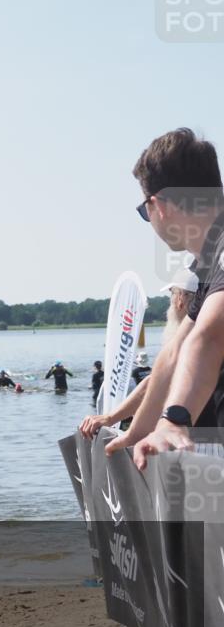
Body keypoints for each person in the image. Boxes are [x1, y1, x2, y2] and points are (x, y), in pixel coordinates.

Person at [102, 128, 224, 469]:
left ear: (160, 206)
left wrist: (173, 419)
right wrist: (137, 431)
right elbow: (175, 352)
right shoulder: (209, 260)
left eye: (145, 211)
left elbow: (210, 337)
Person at [79, 268, 200, 438]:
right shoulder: (211, 330)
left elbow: (156, 383)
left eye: (171, 294)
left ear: (180, 299)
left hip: (200, 441)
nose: (170, 302)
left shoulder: (191, 337)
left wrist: (110, 418)